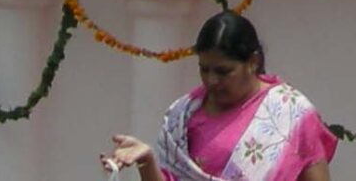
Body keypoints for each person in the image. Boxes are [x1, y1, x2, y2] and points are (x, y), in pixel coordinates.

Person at [106, 10, 336, 181]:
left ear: (253, 62)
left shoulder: (291, 114)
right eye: (204, 69)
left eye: (223, 71)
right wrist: (146, 161)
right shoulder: (183, 116)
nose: (211, 80)